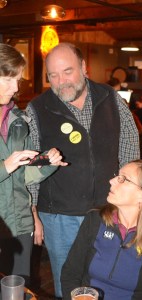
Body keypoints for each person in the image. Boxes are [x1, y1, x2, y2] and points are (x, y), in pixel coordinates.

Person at [26, 42, 140, 298]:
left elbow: (130, 146)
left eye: (67, 71)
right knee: (67, 282)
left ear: (84, 68)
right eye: (53, 75)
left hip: (108, 211)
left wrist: (131, 196)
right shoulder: (36, 108)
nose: (61, 81)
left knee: (105, 279)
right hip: (59, 217)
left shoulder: (110, 97)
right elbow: (30, 166)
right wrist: (32, 212)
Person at [61, 160, 142, 300]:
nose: (111, 181)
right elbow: (70, 273)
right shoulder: (95, 220)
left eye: (123, 179)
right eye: (117, 176)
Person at [0, 43, 67, 285]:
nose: (16, 87)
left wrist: (47, 163)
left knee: (18, 289)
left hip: (20, 224)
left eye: (17, 80)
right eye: (8, 79)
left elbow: (24, 178)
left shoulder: (19, 120)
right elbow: (8, 168)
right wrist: (5, 166)